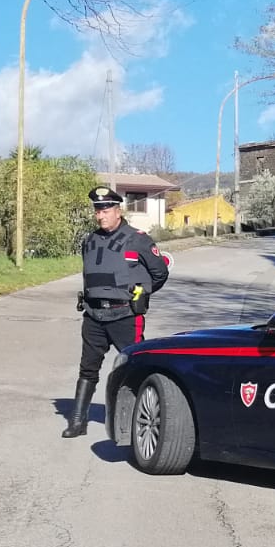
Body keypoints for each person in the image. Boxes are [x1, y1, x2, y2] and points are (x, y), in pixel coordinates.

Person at [63, 185, 170, 438]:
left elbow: (160, 273)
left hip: (125, 316)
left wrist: (143, 293)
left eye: (106, 210)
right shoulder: (89, 241)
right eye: (97, 211)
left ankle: (142, 419)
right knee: (87, 369)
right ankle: (78, 422)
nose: (101, 215)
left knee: (135, 366)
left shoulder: (139, 239)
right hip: (93, 316)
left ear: (118, 210)